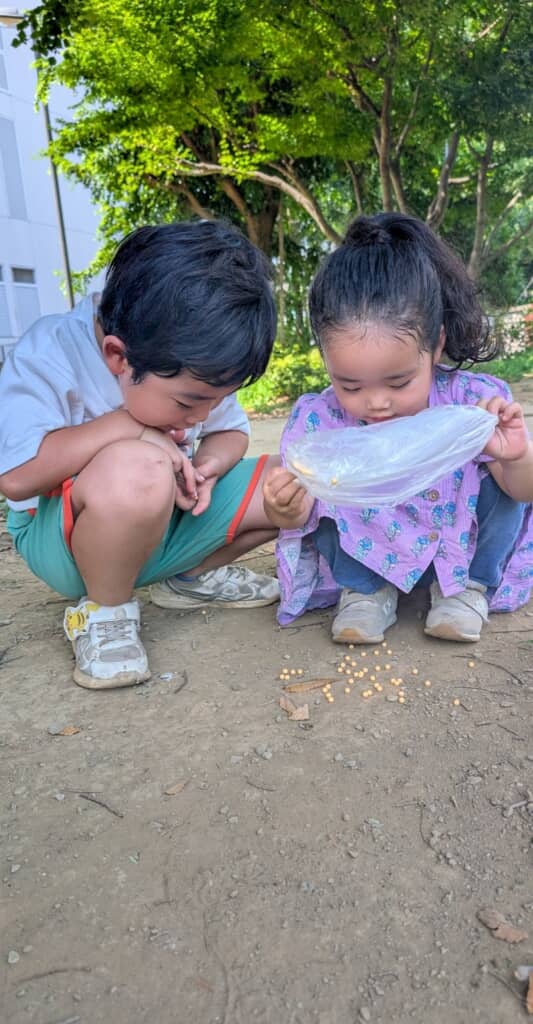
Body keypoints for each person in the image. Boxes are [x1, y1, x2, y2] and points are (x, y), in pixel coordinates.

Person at [0, 220, 280, 689]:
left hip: (166, 523)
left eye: (216, 398)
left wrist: (208, 467)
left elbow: (231, 434)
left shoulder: (191, 363)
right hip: (64, 544)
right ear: (117, 356)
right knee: (140, 467)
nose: (202, 415)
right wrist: (133, 429)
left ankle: (186, 579)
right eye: (190, 403)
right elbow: (16, 476)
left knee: (290, 482)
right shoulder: (48, 354)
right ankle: (104, 612)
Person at [263, 213, 533, 644]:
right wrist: (284, 507)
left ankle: (466, 591)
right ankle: (366, 592)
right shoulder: (321, 420)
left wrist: (515, 456)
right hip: (371, 552)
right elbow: (298, 518)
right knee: (323, 487)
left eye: (399, 381)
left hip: (457, 550)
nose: (376, 402)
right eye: (349, 384)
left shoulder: (472, 402)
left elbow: (522, 494)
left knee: (498, 464)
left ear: (436, 345)